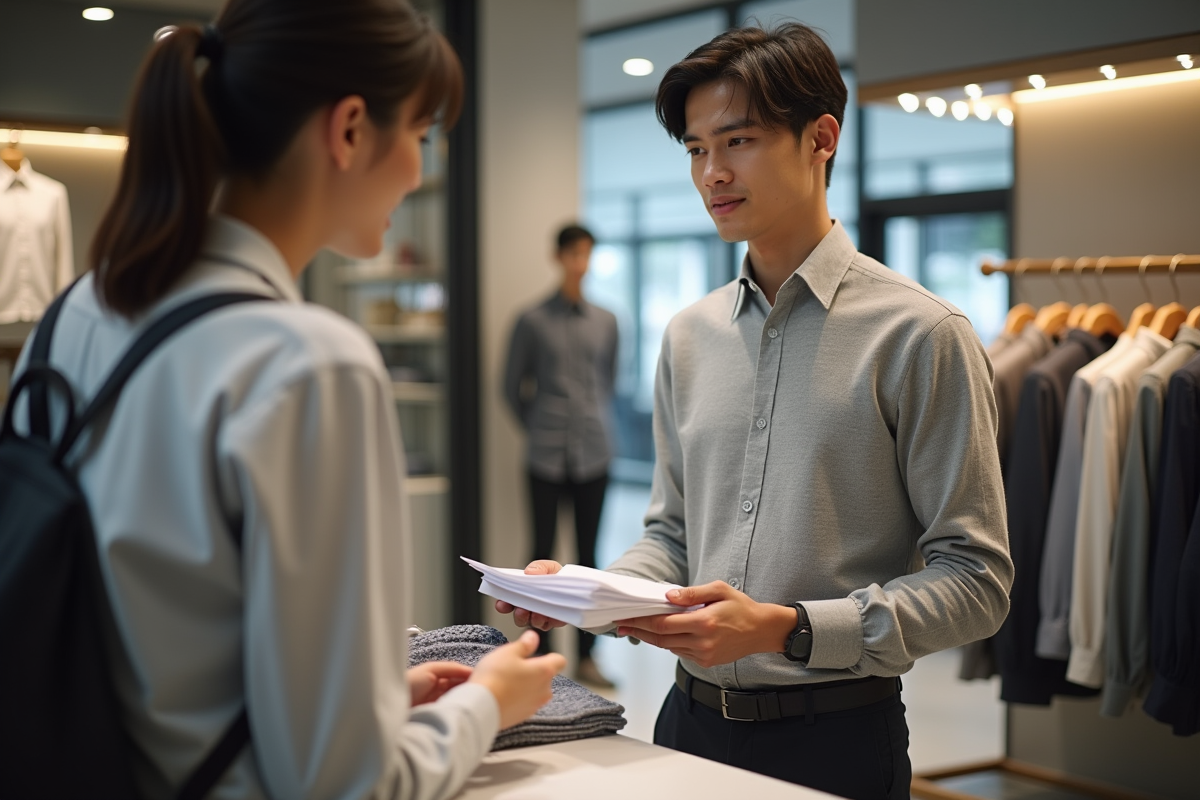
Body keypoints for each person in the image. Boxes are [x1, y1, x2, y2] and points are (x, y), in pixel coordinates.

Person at [9, 2, 564, 798]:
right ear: (348, 131)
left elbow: (150, 638)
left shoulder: (74, 313)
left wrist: (364, 706)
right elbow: (347, 786)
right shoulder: (310, 364)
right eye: (417, 133)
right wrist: (487, 704)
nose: (416, 168)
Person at [496, 23, 1013, 800]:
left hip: (838, 737)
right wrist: (592, 591)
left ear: (821, 139)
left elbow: (976, 580)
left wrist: (788, 626)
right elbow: (670, 534)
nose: (713, 173)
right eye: (697, 150)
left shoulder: (922, 334)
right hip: (684, 727)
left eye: (737, 140)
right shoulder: (689, 335)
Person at [503, 223, 619, 687]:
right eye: (573, 254)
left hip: (594, 451)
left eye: (587, 254)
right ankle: (539, 654)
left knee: (589, 556)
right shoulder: (531, 321)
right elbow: (510, 388)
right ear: (558, 257)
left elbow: (608, 380)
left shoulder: (607, 321)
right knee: (541, 555)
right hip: (545, 455)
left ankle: (587, 656)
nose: (581, 263)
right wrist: (537, 428)